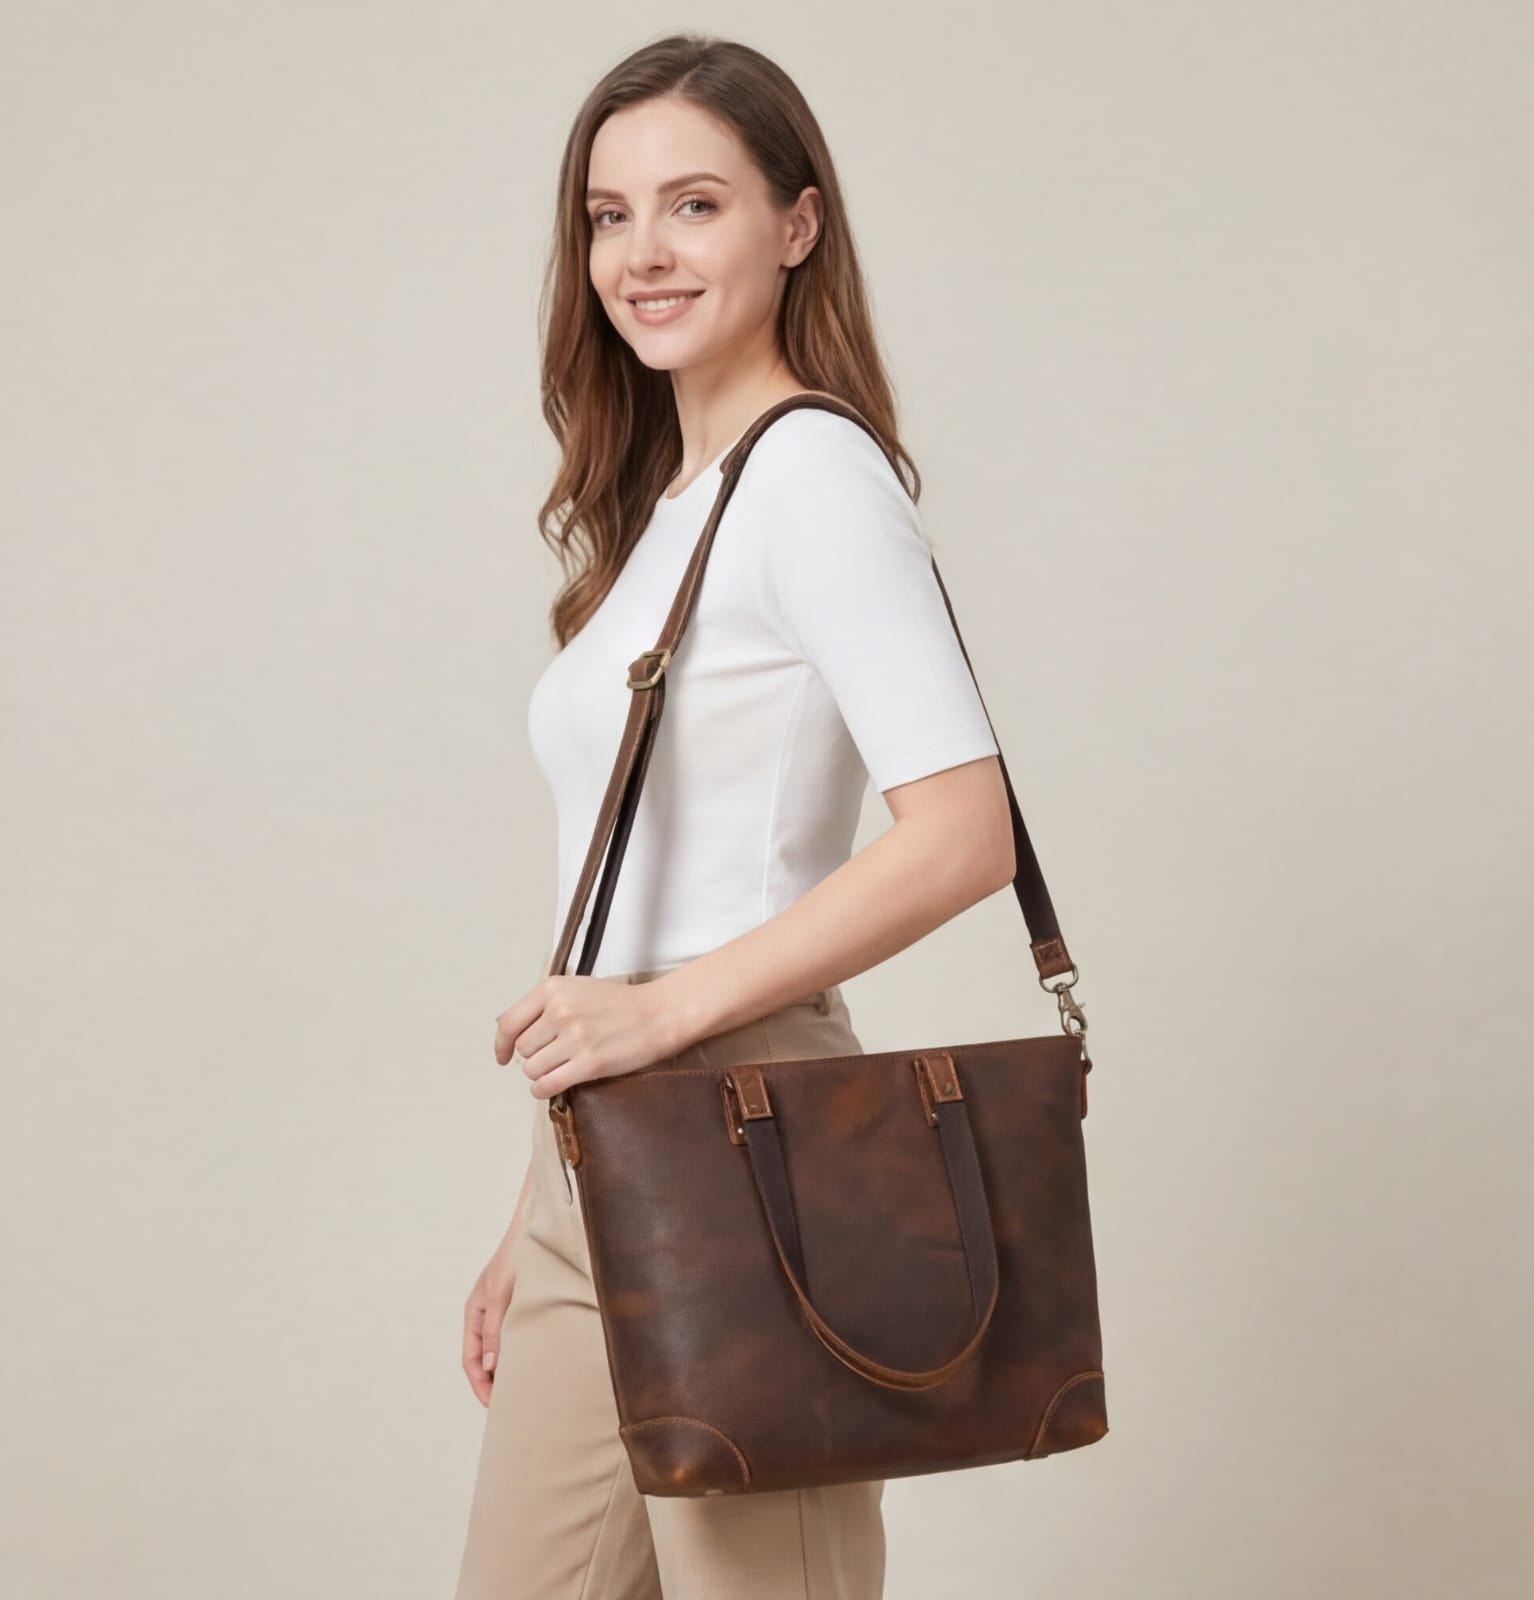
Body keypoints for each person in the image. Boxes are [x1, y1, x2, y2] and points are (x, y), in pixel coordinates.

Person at [452, 32, 1017, 1600]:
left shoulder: (815, 476)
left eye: (692, 204)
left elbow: (963, 832)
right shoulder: (668, 515)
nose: (640, 253)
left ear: (797, 222)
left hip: (747, 1118)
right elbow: (620, 884)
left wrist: (658, 1027)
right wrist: (539, 1203)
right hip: (609, 1142)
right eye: (606, 213)